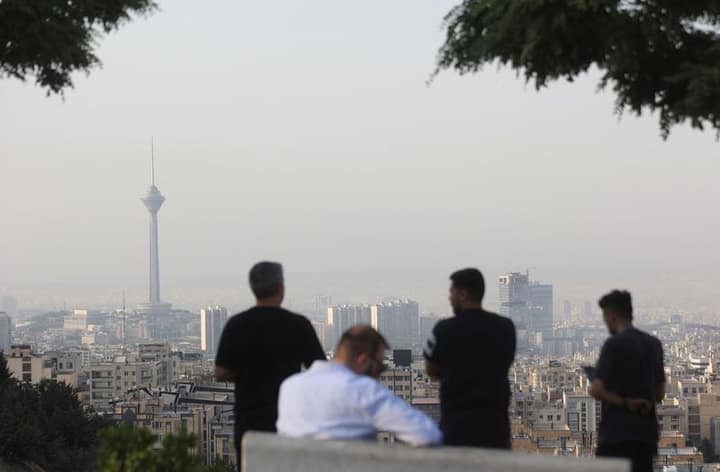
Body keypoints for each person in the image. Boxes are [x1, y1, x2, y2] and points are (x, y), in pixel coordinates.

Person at [214, 261, 326, 465]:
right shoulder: (298, 325)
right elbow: (320, 370)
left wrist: (247, 373)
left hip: (249, 425)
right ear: (281, 289)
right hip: (288, 422)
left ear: (253, 289)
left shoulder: (237, 325)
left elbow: (220, 373)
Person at [276, 325, 442, 446]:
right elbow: (427, 435)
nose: (379, 374)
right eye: (380, 367)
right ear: (363, 359)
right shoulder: (363, 390)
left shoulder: (290, 386)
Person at [424, 268, 516, 448]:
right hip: (495, 429)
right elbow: (506, 361)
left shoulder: (444, 330)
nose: (449, 297)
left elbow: (430, 368)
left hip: (457, 428)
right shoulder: (505, 328)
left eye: (452, 292)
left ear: (463, 294)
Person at [589, 290, 665, 472]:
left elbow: (596, 390)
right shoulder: (653, 344)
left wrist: (625, 402)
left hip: (615, 435)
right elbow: (660, 393)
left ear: (612, 317)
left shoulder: (613, 345)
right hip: (645, 436)